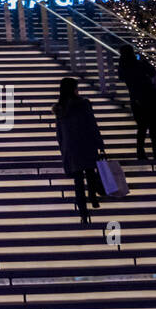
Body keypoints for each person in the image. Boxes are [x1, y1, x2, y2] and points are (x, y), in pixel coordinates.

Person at [54, 77, 106, 225]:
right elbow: (92, 124)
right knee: (90, 172)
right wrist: (100, 144)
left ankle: (83, 212)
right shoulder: (83, 104)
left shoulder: (60, 108)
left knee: (78, 181)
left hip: (71, 147)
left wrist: (63, 149)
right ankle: (94, 199)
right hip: (86, 144)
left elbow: (59, 133)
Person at [118, 45, 156, 161]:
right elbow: (152, 72)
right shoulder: (140, 63)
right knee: (155, 127)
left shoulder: (124, 66)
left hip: (136, 100)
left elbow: (121, 77)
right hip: (150, 97)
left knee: (142, 127)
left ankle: (140, 152)